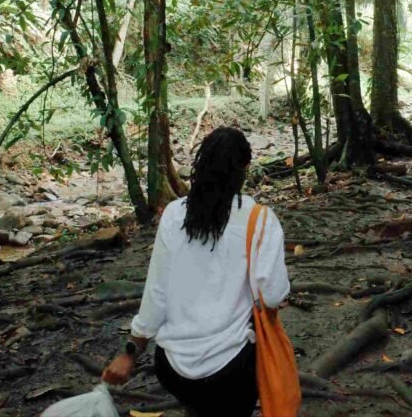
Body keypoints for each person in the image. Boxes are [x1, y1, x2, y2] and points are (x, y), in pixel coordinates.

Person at [102, 126, 290, 417]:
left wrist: (131, 352)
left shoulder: (175, 215)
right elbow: (273, 296)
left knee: (199, 404)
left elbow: (156, 293)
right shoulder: (260, 219)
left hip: (172, 369)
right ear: (244, 168)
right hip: (232, 371)